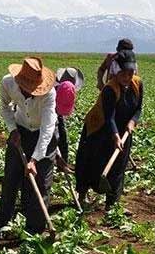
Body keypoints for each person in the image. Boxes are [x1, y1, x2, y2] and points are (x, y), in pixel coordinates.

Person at [0, 57, 57, 239]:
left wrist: (35, 159)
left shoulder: (49, 94)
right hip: (20, 130)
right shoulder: (7, 83)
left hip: (43, 136)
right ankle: (2, 222)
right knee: (11, 178)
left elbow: (48, 128)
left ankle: (34, 231)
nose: (30, 93)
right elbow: (4, 107)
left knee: (40, 183)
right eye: (27, 89)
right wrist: (12, 130)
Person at [76, 49, 144, 211]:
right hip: (99, 128)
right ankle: (81, 196)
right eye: (123, 74)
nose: (127, 78)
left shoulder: (138, 84)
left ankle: (111, 204)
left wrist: (133, 122)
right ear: (116, 72)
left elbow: (138, 108)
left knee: (119, 165)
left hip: (124, 129)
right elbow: (109, 117)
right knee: (91, 162)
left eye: (129, 73)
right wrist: (115, 135)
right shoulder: (110, 89)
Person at [54, 67, 84, 172]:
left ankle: (63, 164)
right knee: (53, 137)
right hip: (46, 112)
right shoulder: (50, 90)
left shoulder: (67, 89)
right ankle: (58, 162)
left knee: (63, 136)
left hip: (57, 112)